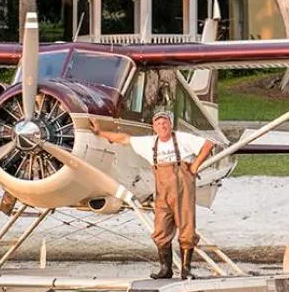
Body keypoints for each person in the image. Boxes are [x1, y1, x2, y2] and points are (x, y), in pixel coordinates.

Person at [91, 109, 215, 280]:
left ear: (170, 125)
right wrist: (99, 132)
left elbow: (208, 144)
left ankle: (186, 269)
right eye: (158, 124)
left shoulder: (182, 138)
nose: (162, 126)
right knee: (160, 229)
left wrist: (194, 167)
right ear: (154, 127)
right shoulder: (149, 143)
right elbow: (123, 139)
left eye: (165, 123)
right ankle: (166, 269)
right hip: (162, 190)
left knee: (186, 227)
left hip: (182, 186)